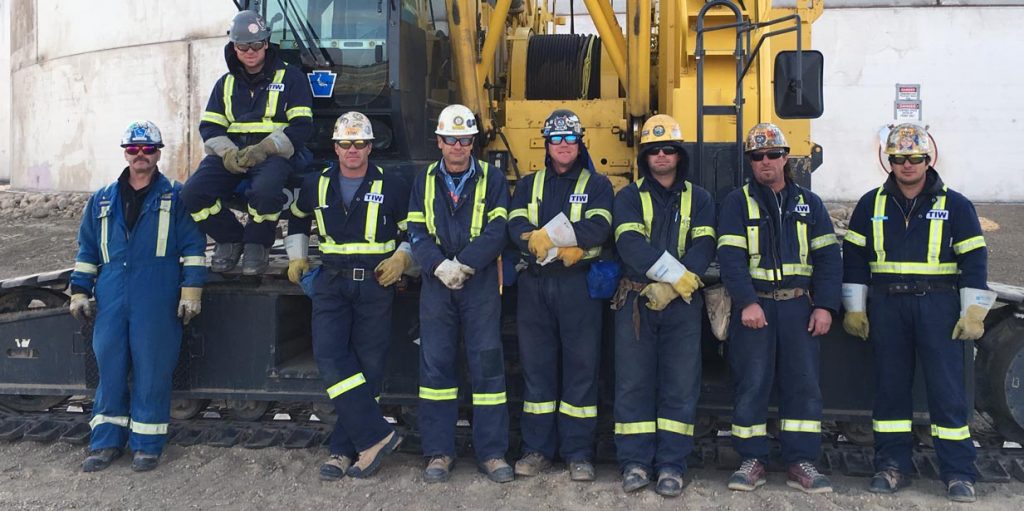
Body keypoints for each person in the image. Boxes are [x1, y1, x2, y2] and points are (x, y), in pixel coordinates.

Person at [841, 123, 993, 503]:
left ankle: (958, 473)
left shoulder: (956, 205)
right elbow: (854, 260)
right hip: (887, 307)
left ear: (928, 160)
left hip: (938, 307)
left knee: (947, 391)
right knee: (890, 390)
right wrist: (855, 309)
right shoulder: (870, 205)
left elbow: (974, 260)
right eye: (898, 158)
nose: (906, 165)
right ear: (889, 162)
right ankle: (891, 467)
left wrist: (974, 312)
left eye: (914, 158)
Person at [69, 121, 207, 472]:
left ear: (158, 153)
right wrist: (80, 291)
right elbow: (87, 250)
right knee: (110, 368)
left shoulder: (176, 196)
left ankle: (147, 445)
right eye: (133, 149)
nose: (140, 155)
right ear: (125, 153)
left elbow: (194, 246)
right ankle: (105, 443)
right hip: (112, 294)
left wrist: (191, 290)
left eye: (148, 149)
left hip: (156, 295)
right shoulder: (102, 199)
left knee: (152, 369)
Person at [716, 122, 841, 494]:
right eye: (757, 156)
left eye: (773, 154)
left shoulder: (809, 204)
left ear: (786, 158)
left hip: (798, 308)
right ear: (750, 162)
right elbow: (731, 259)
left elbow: (828, 260)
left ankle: (800, 461)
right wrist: (747, 302)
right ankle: (751, 459)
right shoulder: (737, 202)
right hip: (756, 310)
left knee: (803, 385)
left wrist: (825, 307)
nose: (765, 161)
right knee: (751, 383)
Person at [288, 112, 410, 480]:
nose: (352, 149)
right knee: (329, 357)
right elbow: (297, 216)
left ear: (370, 147)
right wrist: (297, 256)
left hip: (375, 283)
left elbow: (413, 230)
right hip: (331, 283)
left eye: (359, 143)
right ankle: (376, 436)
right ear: (336, 148)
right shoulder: (317, 184)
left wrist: (403, 258)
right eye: (345, 143)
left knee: (368, 367)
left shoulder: (393, 185)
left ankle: (344, 451)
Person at [406, 104, 513, 484]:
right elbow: (416, 230)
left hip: (478, 282)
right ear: (439, 141)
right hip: (437, 284)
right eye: (451, 139)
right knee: (436, 366)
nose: (457, 146)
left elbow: (498, 229)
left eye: (464, 139)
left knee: (487, 366)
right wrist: (438, 266)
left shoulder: (491, 178)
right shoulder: (424, 179)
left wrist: (466, 264)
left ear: (473, 143)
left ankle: (492, 454)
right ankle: (439, 453)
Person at [609, 115, 715, 496]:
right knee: (633, 384)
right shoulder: (628, 197)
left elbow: (704, 246)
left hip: (681, 304)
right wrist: (674, 277)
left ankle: (672, 465)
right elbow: (630, 245)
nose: (662, 156)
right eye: (654, 150)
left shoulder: (700, 199)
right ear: (644, 157)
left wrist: (672, 288)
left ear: (679, 155)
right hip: (636, 300)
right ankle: (635, 463)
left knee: (680, 385)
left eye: (669, 149)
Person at [506, 109, 613, 482]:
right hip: (535, 285)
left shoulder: (597, 184)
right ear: (547, 144)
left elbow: (599, 225)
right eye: (556, 138)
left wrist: (552, 237)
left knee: (581, 370)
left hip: (577, 285)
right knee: (536, 370)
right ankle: (536, 450)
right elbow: (515, 225)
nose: (563, 145)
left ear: (580, 142)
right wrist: (531, 239)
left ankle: (578, 453)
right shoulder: (529, 184)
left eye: (570, 138)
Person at [181, 10, 314, 275]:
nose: (250, 51)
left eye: (256, 44)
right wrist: (228, 153)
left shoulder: (292, 78)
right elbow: (210, 127)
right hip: (233, 155)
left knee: (265, 191)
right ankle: (230, 238)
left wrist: (265, 148)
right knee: (192, 193)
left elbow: (301, 126)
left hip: (273, 155)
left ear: (266, 43)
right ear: (234, 47)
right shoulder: (225, 84)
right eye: (243, 46)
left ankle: (257, 243)